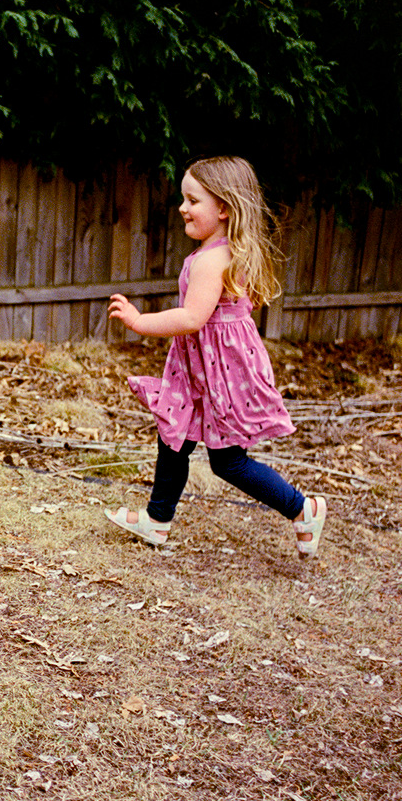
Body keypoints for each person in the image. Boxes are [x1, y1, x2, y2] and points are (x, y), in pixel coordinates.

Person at [105, 156, 327, 557]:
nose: (182, 208)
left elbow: (192, 317)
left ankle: (302, 509)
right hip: (207, 366)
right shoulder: (229, 251)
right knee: (175, 435)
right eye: (183, 199)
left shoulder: (212, 260)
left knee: (227, 461)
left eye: (193, 201)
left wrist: (139, 321)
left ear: (223, 208)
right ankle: (157, 520)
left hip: (219, 372)